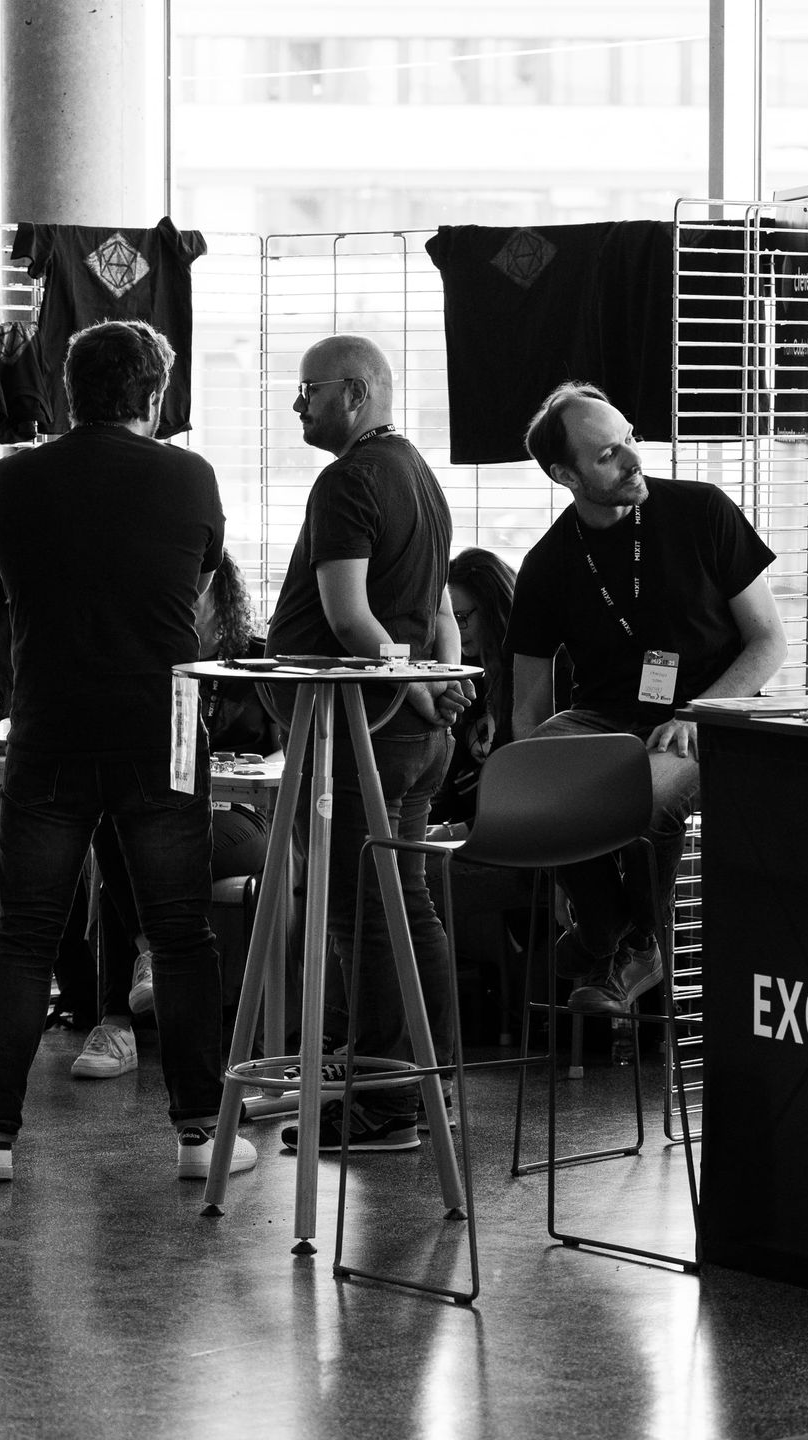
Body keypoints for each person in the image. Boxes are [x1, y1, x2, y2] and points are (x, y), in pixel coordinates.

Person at [0, 319, 252, 1183]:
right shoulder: (190, 476)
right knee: (180, 933)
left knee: (25, 933)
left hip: (53, 721)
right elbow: (199, 583)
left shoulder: (11, 479)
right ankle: (202, 1136)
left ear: (69, 393)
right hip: (168, 720)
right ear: (155, 394)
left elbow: (3, 589)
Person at [507, 381, 785, 1015]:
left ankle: (620, 946)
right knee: (534, 769)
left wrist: (697, 713)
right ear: (565, 475)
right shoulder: (548, 562)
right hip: (606, 720)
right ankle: (615, 934)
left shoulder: (701, 510)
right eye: (609, 454)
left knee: (648, 794)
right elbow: (529, 710)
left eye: (630, 438)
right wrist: (548, 819)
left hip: (713, 714)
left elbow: (768, 642)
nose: (635, 459)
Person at [263, 333, 470, 1155]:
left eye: (308, 391)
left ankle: (387, 1105)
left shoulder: (348, 480)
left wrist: (417, 688)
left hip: (363, 729)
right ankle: (424, 1082)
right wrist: (438, 686)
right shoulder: (419, 473)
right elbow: (440, 614)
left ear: (354, 393)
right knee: (401, 903)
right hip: (410, 733)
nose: (298, 406)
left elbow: (351, 620)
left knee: (366, 915)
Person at [72, 551, 285, 1080]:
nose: (180, 606)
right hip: (170, 806)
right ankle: (138, 978)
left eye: (191, 593)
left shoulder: (259, 661)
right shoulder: (156, 662)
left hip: (247, 813)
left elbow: (293, 749)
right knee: (120, 829)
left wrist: (246, 766)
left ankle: (119, 1018)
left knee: (142, 855)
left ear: (220, 592)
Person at [432, 546, 518, 833]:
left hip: (507, 832)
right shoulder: (468, 673)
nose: (454, 631)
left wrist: (457, 832)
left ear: (493, 608)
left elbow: (528, 784)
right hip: (469, 829)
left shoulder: (531, 675)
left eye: (461, 617)